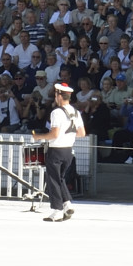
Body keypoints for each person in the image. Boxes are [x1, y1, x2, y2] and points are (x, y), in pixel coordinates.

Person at [32, 81, 85, 222]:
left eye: (56, 95)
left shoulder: (56, 112)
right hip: (68, 150)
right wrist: (67, 136)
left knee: (53, 180)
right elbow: (81, 133)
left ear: (59, 96)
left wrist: (39, 137)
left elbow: (54, 134)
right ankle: (67, 204)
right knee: (60, 178)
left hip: (56, 149)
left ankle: (57, 210)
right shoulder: (75, 112)